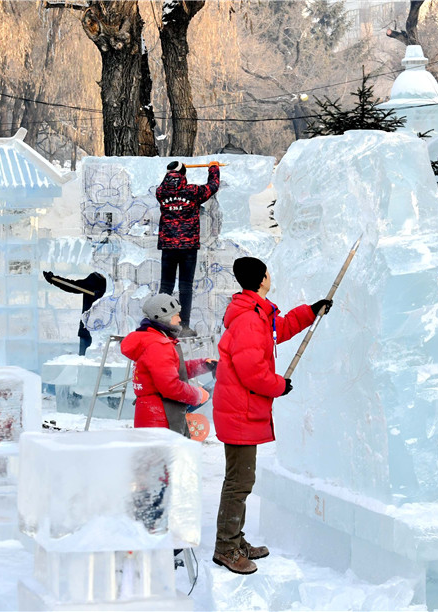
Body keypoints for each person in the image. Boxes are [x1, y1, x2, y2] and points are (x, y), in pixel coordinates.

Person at [211, 256, 332, 574]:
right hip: (240, 409)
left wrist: (310, 311)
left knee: (240, 479)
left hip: (241, 408)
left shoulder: (256, 313)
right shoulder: (251, 319)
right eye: (268, 273)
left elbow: (281, 329)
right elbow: (250, 370)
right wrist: (279, 385)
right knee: (239, 482)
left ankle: (234, 540)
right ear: (263, 278)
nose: (270, 276)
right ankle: (226, 548)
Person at [120, 293, 215, 437]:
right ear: (164, 317)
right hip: (160, 417)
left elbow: (172, 370)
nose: (180, 319)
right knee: (163, 459)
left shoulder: (153, 339)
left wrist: (203, 365)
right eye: (176, 315)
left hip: (153, 414)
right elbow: (170, 386)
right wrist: (197, 395)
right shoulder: (158, 345)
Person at [156, 160, 221, 337]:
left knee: (166, 286)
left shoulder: (161, 191)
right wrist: (213, 168)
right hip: (188, 246)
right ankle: (183, 326)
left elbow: (167, 183)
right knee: (185, 287)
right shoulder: (192, 191)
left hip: (168, 245)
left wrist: (172, 172)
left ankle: (162, 324)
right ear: (184, 174)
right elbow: (213, 186)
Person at [42, 271, 107, 355]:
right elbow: (73, 286)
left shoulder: (115, 282)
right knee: (84, 360)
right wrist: (54, 279)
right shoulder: (95, 279)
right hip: (88, 327)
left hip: (105, 330)